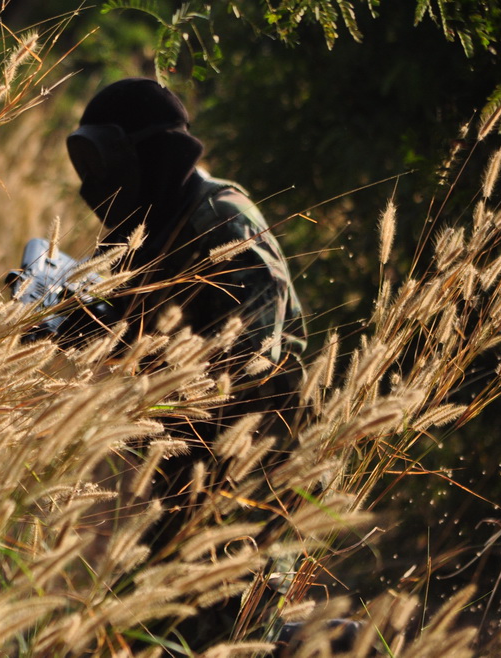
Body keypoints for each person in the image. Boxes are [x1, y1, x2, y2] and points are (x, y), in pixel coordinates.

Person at [62, 78, 311, 648]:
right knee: (148, 630)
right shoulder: (149, 227)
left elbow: (252, 360)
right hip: (193, 470)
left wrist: (133, 348)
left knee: (224, 634)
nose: (95, 183)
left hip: (256, 467)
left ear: (145, 154)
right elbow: (138, 332)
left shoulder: (222, 221)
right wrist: (88, 329)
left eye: (103, 161)